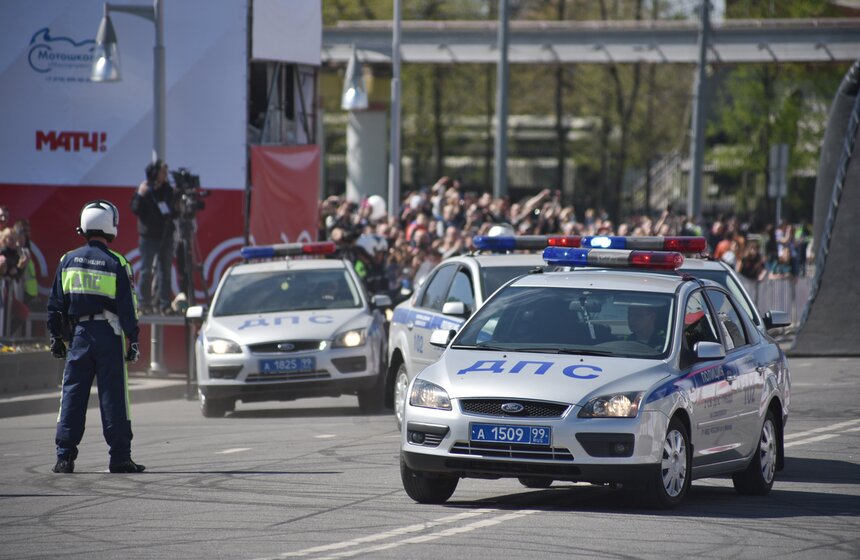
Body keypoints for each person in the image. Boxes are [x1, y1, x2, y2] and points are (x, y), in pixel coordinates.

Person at [47, 200, 144, 474]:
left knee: (72, 395)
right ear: (110, 225)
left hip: (78, 336)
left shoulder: (66, 260)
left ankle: (64, 457)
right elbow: (128, 309)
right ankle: (120, 457)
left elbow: (55, 304)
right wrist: (132, 339)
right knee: (114, 397)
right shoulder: (118, 262)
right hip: (109, 334)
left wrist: (56, 337)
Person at [131, 159, 177, 314]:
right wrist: (140, 194)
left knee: (165, 271)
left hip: (165, 236)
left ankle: (165, 304)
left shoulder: (168, 190)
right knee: (145, 270)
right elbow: (135, 208)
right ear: (155, 173)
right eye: (163, 171)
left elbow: (174, 212)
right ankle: (144, 304)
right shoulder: (145, 189)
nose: (165, 175)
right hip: (148, 237)